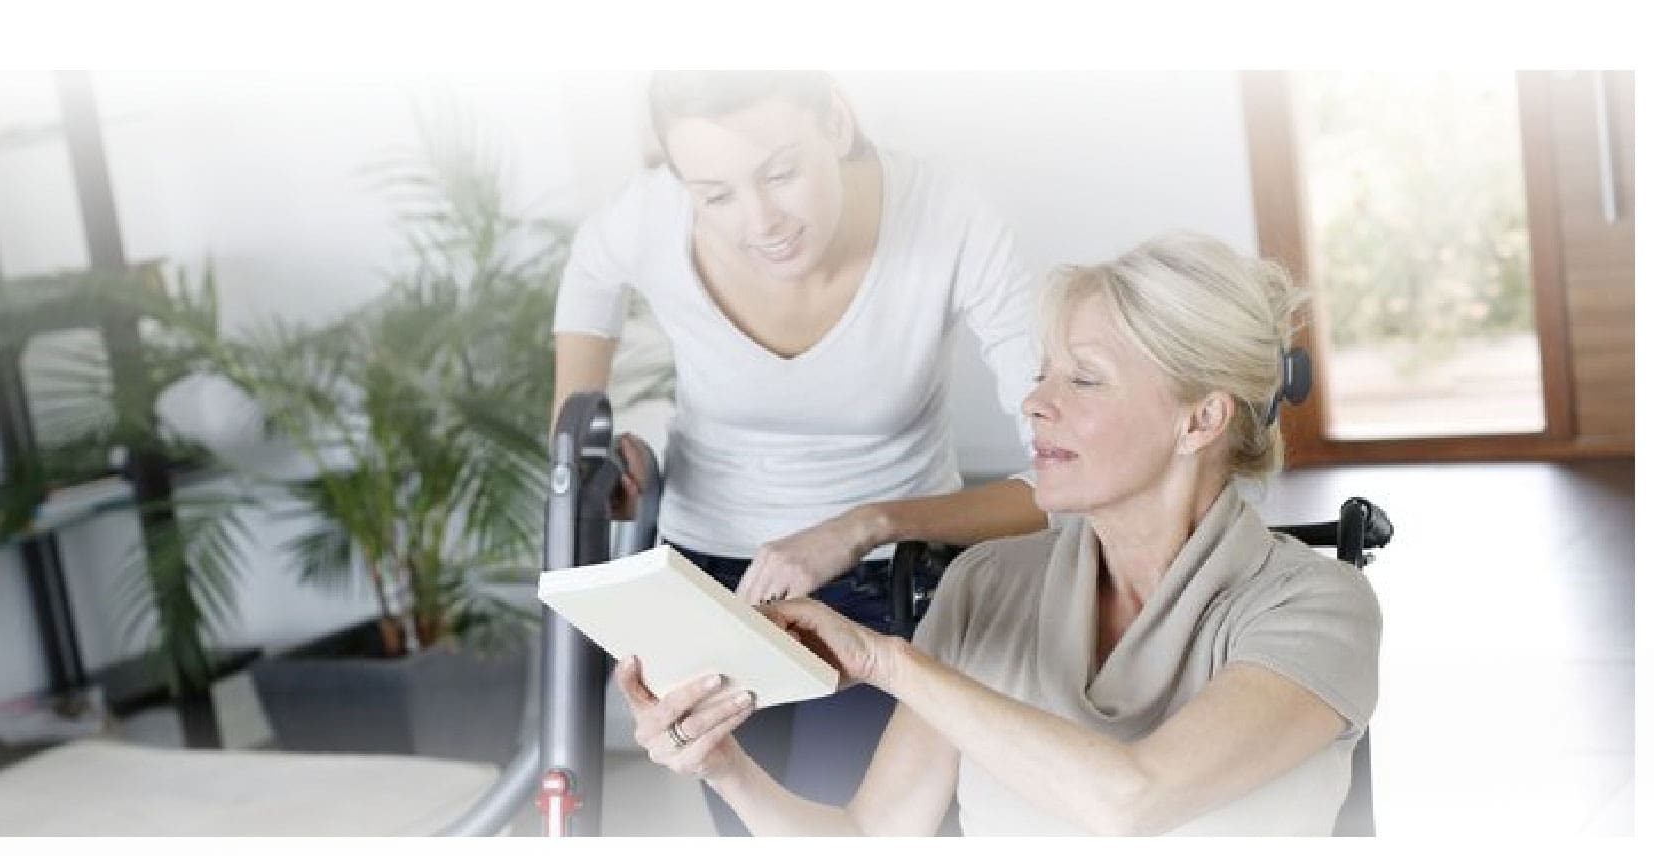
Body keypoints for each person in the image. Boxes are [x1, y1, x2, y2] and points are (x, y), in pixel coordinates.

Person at [619, 232, 1384, 835]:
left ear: (1200, 419)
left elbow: (1133, 802)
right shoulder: (986, 585)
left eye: (1083, 378)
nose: (1035, 403)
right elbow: (871, 833)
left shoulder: (1317, 607)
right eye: (1043, 373)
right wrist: (723, 767)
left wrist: (889, 660)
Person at [551, 71, 1050, 833]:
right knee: (748, 823)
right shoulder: (649, 216)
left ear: (837, 122)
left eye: (781, 173)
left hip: (889, 585)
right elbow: (590, 275)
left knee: (857, 824)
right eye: (715, 195)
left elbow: (1065, 474)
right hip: (707, 585)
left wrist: (869, 522)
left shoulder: (948, 217)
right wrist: (588, 449)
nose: (762, 222)